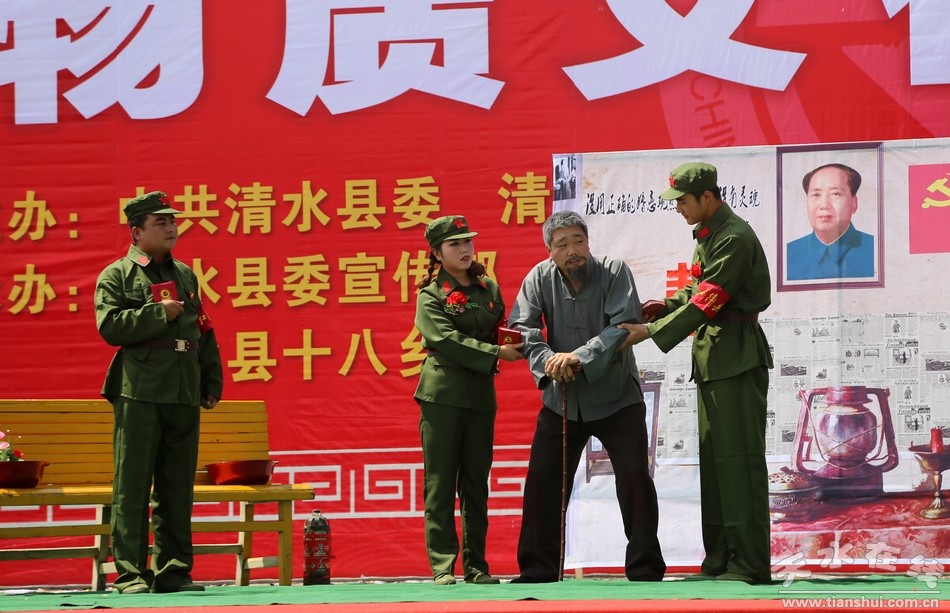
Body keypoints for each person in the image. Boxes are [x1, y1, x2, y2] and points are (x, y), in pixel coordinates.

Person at [619, 163, 773, 584]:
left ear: (708, 197)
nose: (678, 209)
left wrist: (650, 331)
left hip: (736, 355)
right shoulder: (711, 235)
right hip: (715, 355)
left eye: (683, 201)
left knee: (739, 461)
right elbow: (696, 290)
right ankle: (720, 559)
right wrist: (663, 307)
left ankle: (748, 563)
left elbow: (710, 301)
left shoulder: (734, 237)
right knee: (717, 462)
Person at [507, 210, 666, 584]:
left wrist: (578, 357)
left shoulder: (614, 270)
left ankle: (645, 568)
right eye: (562, 244)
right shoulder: (538, 278)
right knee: (542, 481)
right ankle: (538, 569)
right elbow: (522, 329)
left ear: (588, 242)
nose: (572, 250)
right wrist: (549, 362)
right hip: (561, 398)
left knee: (634, 479)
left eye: (578, 241)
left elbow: (623, 326)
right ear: (549, 251)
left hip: (617, 397)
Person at [95, 191, 223, 594]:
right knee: (132, 483)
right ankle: (130, 573)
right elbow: (110, 327)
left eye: (172, 221)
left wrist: (211, 379)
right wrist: (155, 314)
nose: (171, 228)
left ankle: (174, 571)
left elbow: (202, 327)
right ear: (136, 232)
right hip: (140, 389)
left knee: (176, 485)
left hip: (184, 387)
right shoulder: (117, 275)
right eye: (160, 222)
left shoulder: (185, 274)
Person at [413, 215, 525, 586]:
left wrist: (517, 340)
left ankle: (476, 566)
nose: (465, 249)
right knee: (440, 481)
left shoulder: (487, 288)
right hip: (442, 394)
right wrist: (496, 352)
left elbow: (501, 329)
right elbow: (445, 339)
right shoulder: (430, 295)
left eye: (468, 242)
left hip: (480, 395)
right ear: (436, 253)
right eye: (455, 244)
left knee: (477, 482)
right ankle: (443, 567)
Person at [786, 163, 874, 280]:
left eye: (835, 194)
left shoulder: (876, 250)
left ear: (854, 203)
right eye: (816, 195)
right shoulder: (788, 253)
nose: (824, 205)